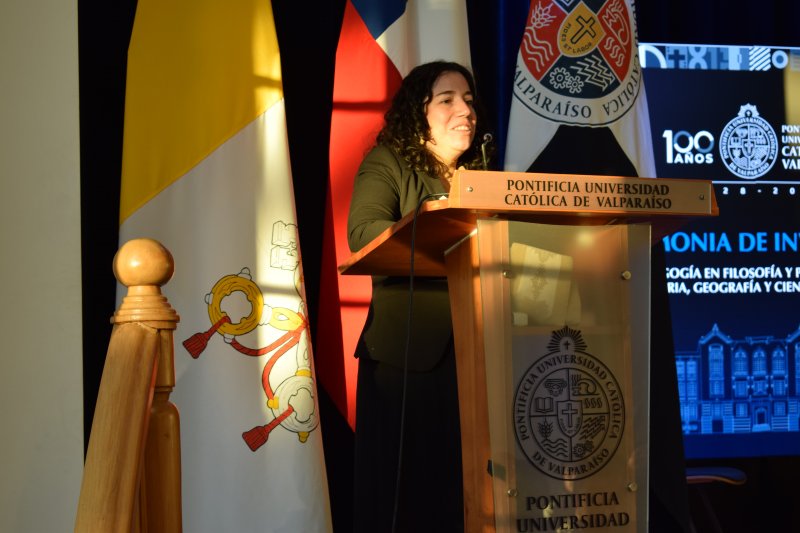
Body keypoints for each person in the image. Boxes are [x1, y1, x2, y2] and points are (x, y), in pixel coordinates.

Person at [347, 61, 491, 533]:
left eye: (468, 99)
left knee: (466, 490)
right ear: (419, 111)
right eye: (447, 99)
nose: (464, 110)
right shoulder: (388, 162)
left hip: (482, 353)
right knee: (410, 494)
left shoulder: (484, 174)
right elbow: (363, 233)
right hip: (408, 357)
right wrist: (439, 222)